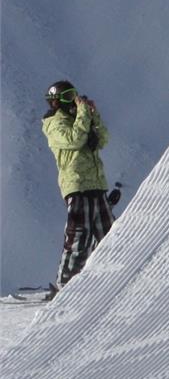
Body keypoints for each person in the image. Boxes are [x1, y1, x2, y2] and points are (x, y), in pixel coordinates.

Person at [42, 80, 113, 291]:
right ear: (55, 102)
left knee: (108, 233)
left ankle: (110, 278)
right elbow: (74, 140)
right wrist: (82, 113)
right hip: (76, 184)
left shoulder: (78, 119)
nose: (71, 101)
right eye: (66, 97)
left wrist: (92, 114)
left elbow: (102, 139)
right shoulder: (55, 123)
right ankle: (65, 284)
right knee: (79, 235)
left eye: (73, 95)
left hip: (96, 184)